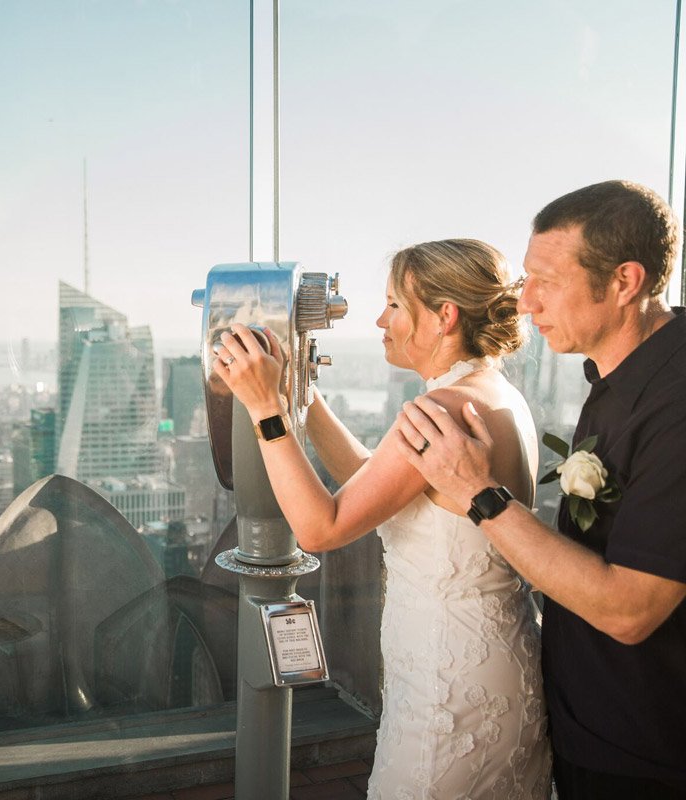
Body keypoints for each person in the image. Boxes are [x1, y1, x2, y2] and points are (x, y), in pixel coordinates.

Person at [215, 239, 551, 798]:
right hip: (496, 666)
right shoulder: (492, 395)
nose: (379, 319)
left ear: (444, 317)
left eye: (395, 304)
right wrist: (306, 394)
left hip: (448, 692)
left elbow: (320, 528)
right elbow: (381, 479)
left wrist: (265, 408)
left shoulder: (438, 410)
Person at [396, 181, 686, 799]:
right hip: (584, 725)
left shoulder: (677, 404)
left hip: (644, 753)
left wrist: (480, 492)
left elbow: (630, 609)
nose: (525, 303)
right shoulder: (622, 374)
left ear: (625, 282)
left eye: (546, 281)